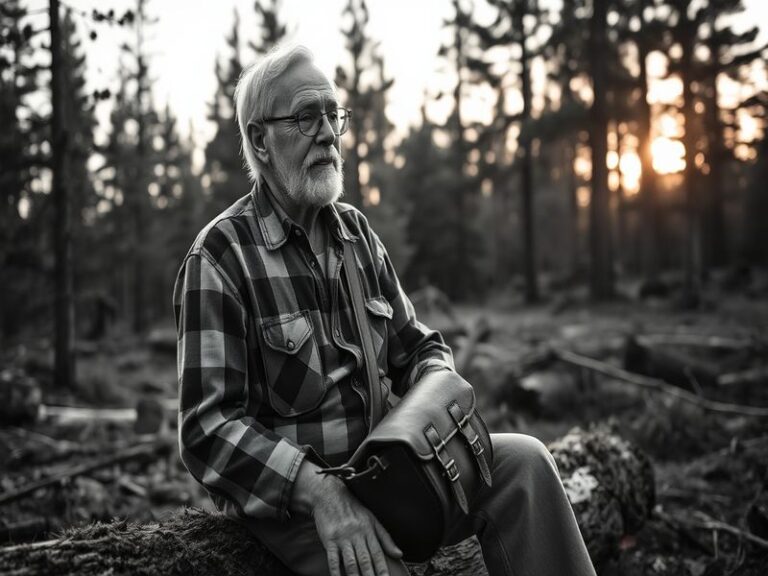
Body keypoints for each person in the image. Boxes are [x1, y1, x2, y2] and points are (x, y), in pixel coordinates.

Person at [174, 43, 597, 576]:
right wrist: (322, 494)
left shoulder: (356, 235)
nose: (329, 132)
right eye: (307, 117)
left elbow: (420, 349)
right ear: (260, 140)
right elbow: (206, 428)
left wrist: (431, 409)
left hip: (391, 476)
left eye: (333, 115)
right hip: (297, 507)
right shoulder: (220, 256)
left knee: (527, 465)